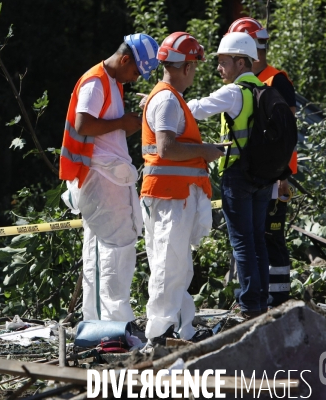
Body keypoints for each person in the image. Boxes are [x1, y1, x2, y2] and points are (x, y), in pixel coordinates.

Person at [59, 34, 159, 321]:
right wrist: (123, 122)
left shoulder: (112, 83)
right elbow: (84, 124)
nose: (136, 79)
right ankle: (111, 328)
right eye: (136, 72)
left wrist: (127, 122)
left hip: (106, 178)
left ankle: (96, 324)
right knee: (115, 251)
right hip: (101, 179)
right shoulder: (96, 81)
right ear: (125, 59)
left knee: (99, 254)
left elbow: (106, 129)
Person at [140, 32, 224, 344]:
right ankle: (161, 333)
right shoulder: (166, 100)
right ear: (186, 67)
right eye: (195, 67)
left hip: (170, 194)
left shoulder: (166, 98)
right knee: (168, 265)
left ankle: (180, 328)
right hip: (169, 195)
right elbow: (166, 148)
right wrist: (205, 150)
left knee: (176, 266)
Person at [187, 32, 273, 320]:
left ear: (240, 62)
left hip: (238, 175)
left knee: (242, 242)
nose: (219, 68)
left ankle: (250, 306)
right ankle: (261, 302)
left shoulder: (234, 92)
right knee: (258, 240)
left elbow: (197, 110)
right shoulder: (264, 90)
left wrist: (157, 101)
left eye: (223, 62)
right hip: (263, 177)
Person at [227, 17, 298, 308]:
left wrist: (284, 175)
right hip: (255, 174)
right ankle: (260, 295)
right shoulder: (252, 81)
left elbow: (288, 133)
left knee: (270, 235)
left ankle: (277, 297)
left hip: (272, 175)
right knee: (257, 237)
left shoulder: (275, 80)